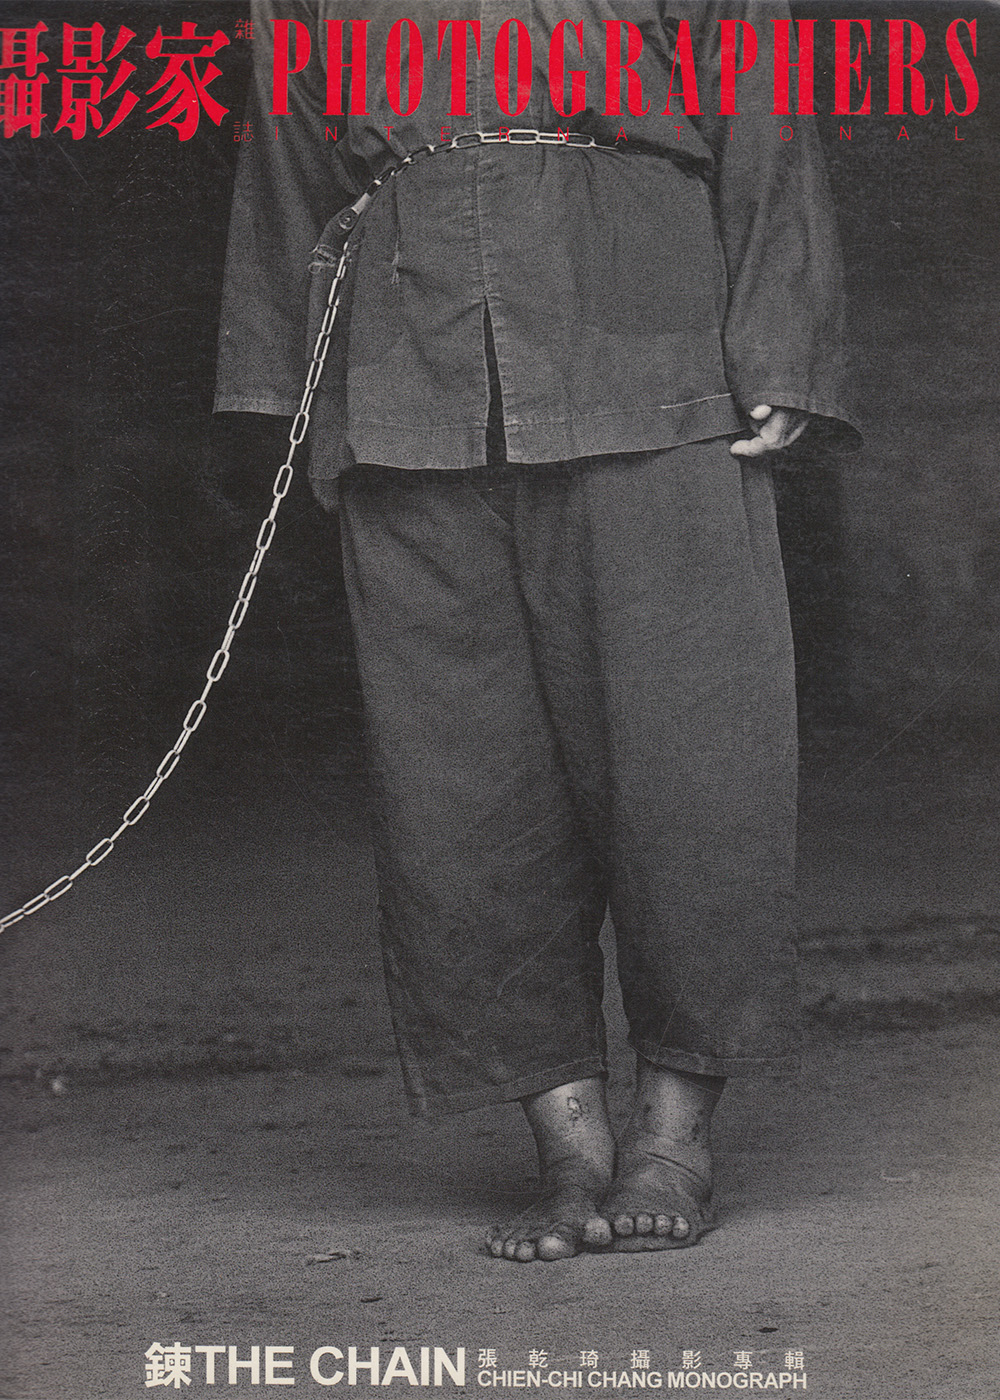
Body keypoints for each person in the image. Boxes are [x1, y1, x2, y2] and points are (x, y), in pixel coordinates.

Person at [215, 0, 857, 1261]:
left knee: (692, 764)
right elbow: (284, 173)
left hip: (654, 367)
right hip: (409, 382)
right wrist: (287, 395)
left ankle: (672, 1141)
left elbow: (766, 112)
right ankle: (569, 1149)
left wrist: (780, 346)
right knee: (458, 789)